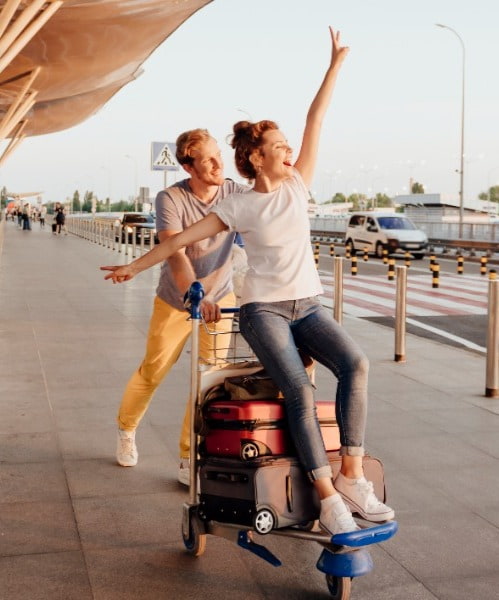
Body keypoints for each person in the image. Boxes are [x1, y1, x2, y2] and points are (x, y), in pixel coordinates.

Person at [101, 28, 394, 536]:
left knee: (356, 363)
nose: (288, 151)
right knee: (297, 391)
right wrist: (133, 266)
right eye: (279, 147)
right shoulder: (235, 204)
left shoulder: (298, 183)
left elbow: (316, 117)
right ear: (257, 157)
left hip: (307, 303)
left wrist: (335, 66)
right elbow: (177, 244)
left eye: (287, 146)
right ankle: (326, 499)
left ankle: (351, 475)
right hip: (262, 310)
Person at [110, 128, 246, 483]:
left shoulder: (234, 192)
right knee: (153, 370)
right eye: (209, 159)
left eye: (219, 155)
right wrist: (196, 296)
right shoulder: (170, 198)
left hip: (221, 298)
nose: (219, 164)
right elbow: (175, 253)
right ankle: (126, 430)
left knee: (209, 378)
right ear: (189, 166)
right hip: (177, 300)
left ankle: (190, 455)